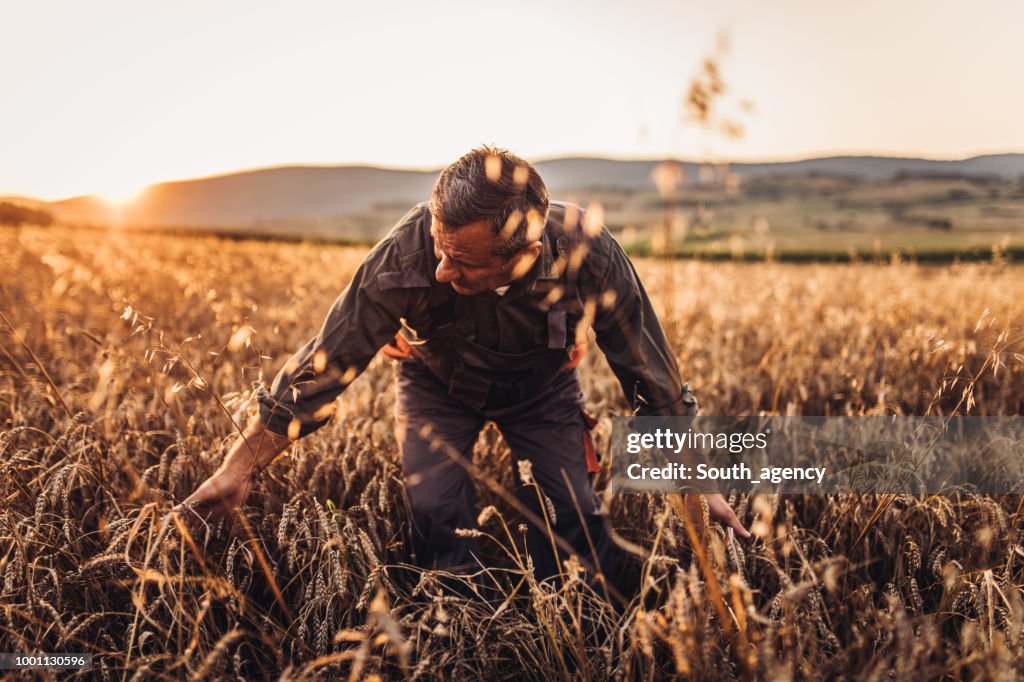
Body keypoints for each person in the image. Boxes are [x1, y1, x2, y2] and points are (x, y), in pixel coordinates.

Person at [175, 146, 750, 602]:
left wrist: (698, 482)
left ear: (523, 253)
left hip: (542, 391)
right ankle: (455, 626)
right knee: (435, 514)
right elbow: (324, 364)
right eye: (438, 246)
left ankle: (569, 620)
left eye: (464, 261)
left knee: (569, 517)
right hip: (435, 389)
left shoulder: (588, 255)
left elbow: (654, 384)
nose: (442, 268)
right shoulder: (405, 254)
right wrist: (238, 467)